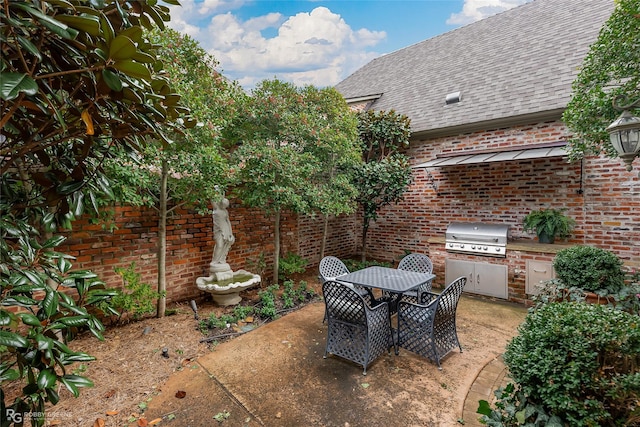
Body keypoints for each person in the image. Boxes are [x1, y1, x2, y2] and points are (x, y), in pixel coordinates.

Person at [211, 198, 235, 264]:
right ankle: (214, 261)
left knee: (225, 245)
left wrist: (230, 233)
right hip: (218, 230)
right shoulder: (216, 209)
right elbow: (212, 198)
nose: (224, 207)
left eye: (225, 206)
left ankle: (221, 260)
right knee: (219, 245)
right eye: (223, 205)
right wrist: (217, 189)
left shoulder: (225, 211)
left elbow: (228, 221)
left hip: (226, 229)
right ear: (220, 203)